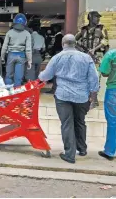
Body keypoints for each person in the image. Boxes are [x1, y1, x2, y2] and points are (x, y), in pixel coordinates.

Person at [39, 34, 99, 164]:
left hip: (63, 96)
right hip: (81, 96)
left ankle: (69, 154)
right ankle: (82, 149)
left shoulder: (57, 58)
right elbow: (94, 79)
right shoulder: (86, 58)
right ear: (75, 43)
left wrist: (40, 76)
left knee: (67, 124)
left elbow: (46, 76)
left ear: (63, 44)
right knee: (80, 122)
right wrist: (93, 96)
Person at [1, 13, 32, 87]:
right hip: (21, 56)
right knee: (18, 77)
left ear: (14, 21)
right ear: (25, 22)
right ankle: (16, 94)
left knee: (8, 75)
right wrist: (29, 61)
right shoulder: (27, 34)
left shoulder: (9, 32)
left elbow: (4, 46)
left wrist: (2, 57)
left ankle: (9, 93)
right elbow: (28, 49)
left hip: (11, 55)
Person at [98, 48, 116, 161]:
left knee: (113, 122)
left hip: (113, 91)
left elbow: (104, 73)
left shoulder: (111, 54)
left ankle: (109, 151)